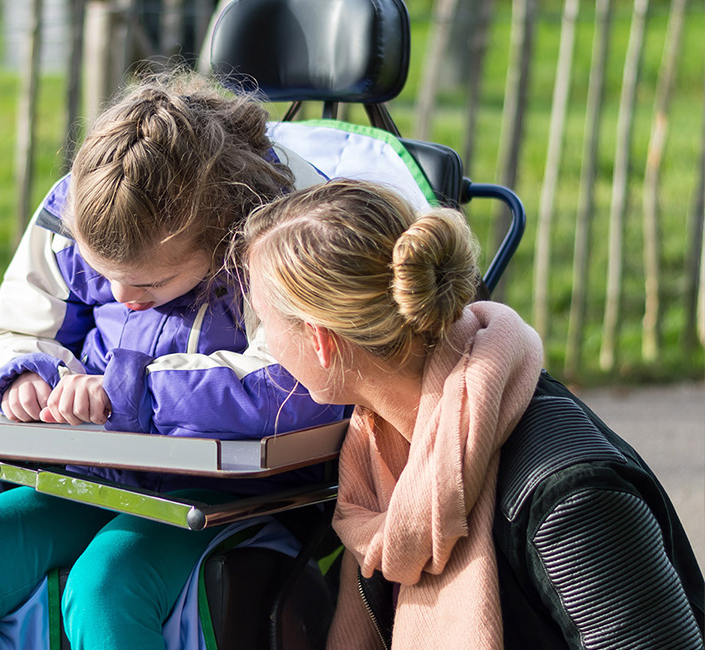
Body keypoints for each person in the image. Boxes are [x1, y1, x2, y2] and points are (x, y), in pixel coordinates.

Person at [0, 71, 346, 650]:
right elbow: (15, 326)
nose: (122, 296)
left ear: (222, 234)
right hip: (96, 474)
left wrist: (124, 392)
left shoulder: (285, 227)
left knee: (109, 585)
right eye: (105, 276)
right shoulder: (92, 198)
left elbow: (295, 384)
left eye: (151, 283)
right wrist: (28, 374)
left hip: (232, 496)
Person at [241, 178, 705, 649]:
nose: (261, 345)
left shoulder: (565, 495)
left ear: (321, 341)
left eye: (263, 321)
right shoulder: (379, 457)